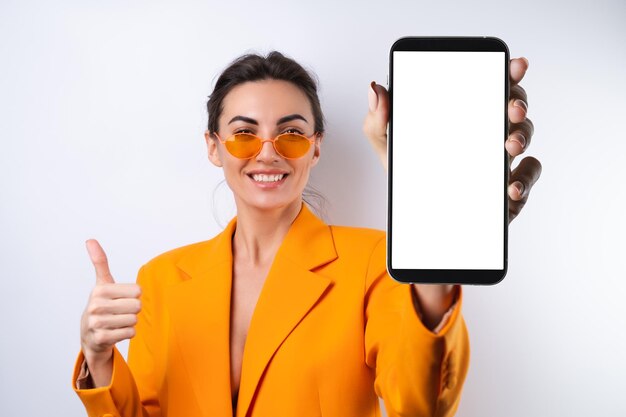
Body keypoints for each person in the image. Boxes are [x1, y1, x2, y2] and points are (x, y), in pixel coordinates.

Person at [72, 51, 540, 417]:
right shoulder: (162, 280)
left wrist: (430, 238)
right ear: (213, 147)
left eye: (291, 133)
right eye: (243, 134)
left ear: (315, 149)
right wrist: (99, 356)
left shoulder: (376, 260)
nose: (268, 153)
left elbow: (419, 407)